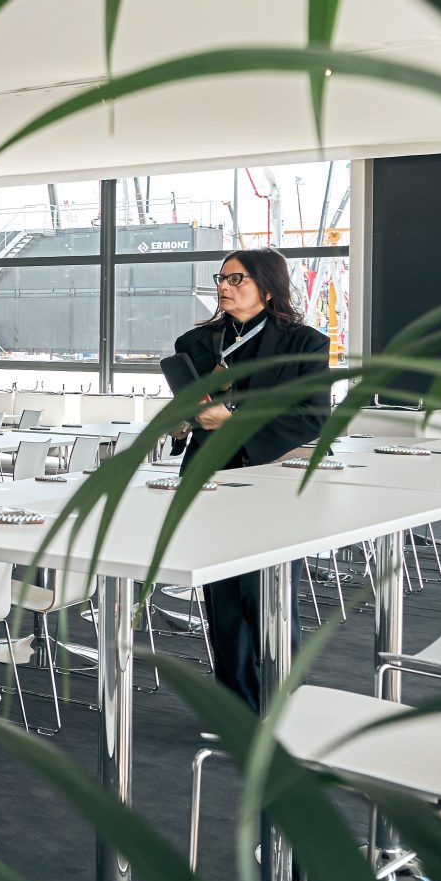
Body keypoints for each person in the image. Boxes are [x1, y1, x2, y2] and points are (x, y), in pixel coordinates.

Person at [172, 247, 330, 709]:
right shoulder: (194, 343)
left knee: (269, 596)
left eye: (236, 279)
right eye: (221, 278)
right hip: (210, 478)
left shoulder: (305, 343)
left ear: (268, 285)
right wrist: (183, 420)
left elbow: (310, 418)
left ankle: (287, 706)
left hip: (272, 482)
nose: (224, 286)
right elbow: (189, 406)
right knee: (222, 600)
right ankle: (236, 709)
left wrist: (236, 417)